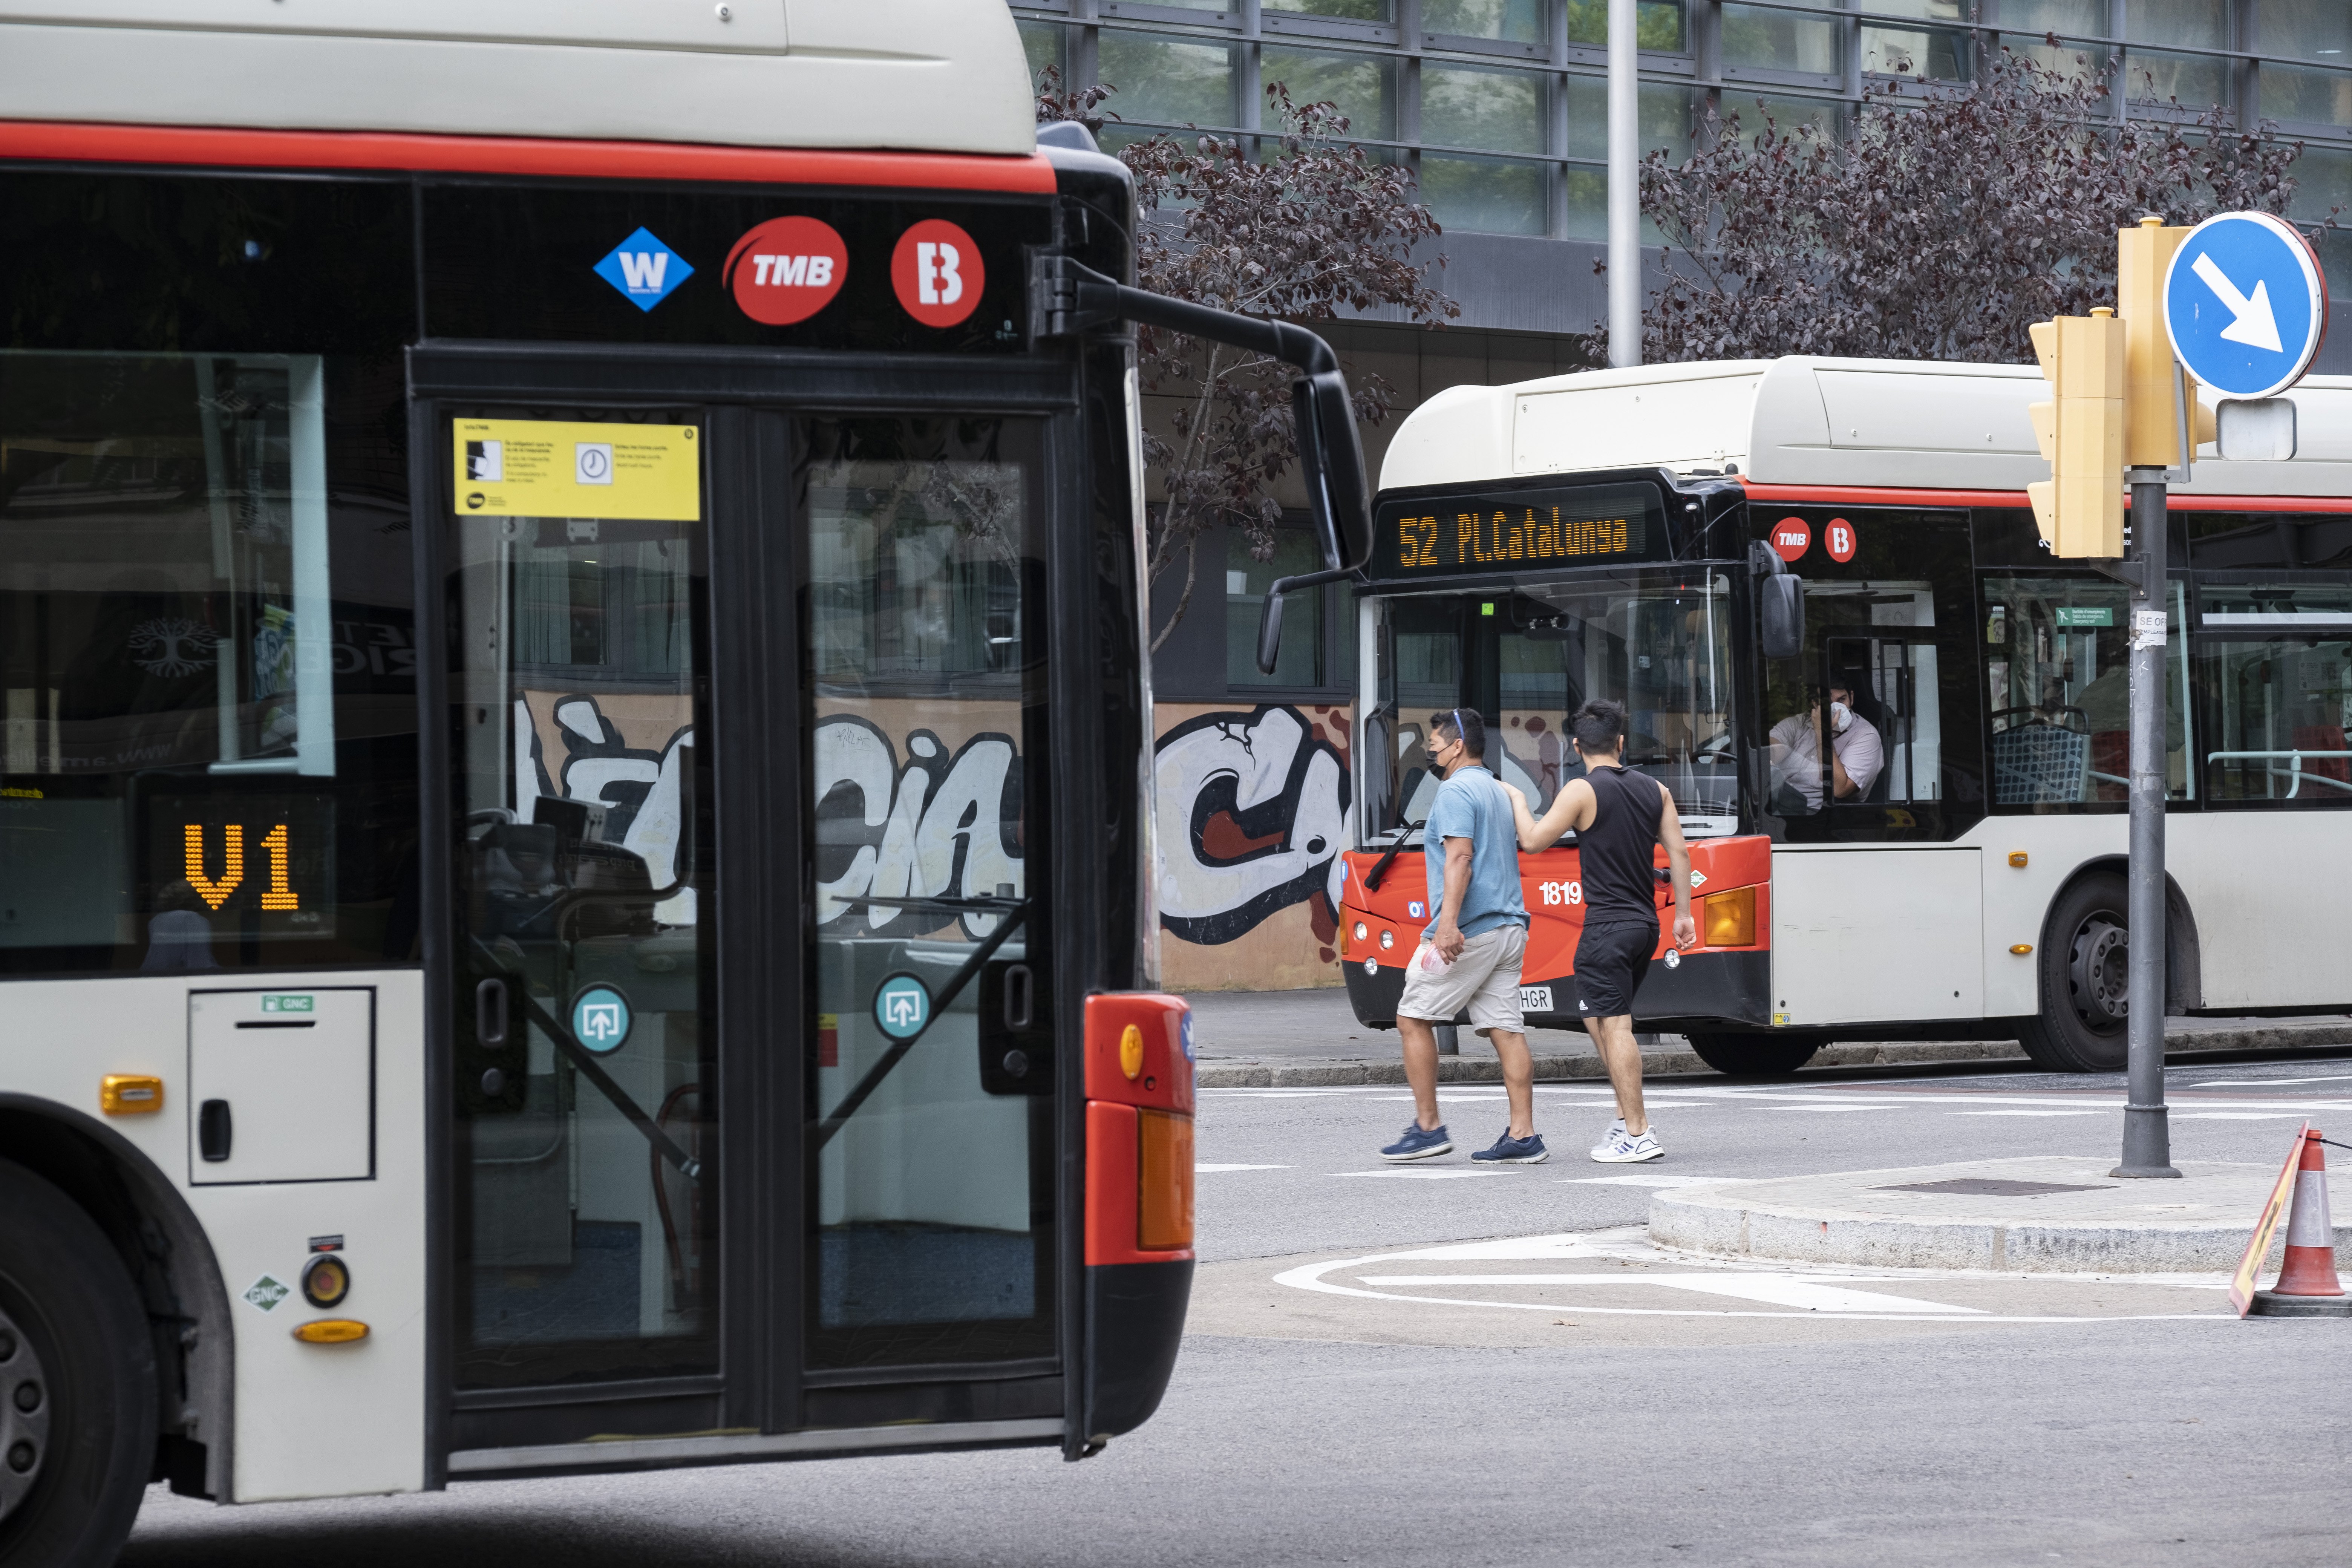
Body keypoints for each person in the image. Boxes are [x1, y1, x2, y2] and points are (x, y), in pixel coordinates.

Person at [1502, 698, 1694, 1163]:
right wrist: (1684, 915)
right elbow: (1680, 854)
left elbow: (1532, 840)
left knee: (1615, 1022)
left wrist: (1519, 799)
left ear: (1575, 745)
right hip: (1645, 924)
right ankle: (1622, 1116)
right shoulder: (1656, 790)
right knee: (1597, 1014)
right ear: (1621, 742)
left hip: (1606, 924)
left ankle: (1638, 1130)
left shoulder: (1581, 790)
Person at [1378, 708, 1545, 1165]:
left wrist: (1447, 925)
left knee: (1413, 1017)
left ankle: (1428, 1127)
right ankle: (1524, 1134)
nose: (1429, 748)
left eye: (1435, 741)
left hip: (1472, 930)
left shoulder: (1454, 791)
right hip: (1511, 928)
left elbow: (1460, 859)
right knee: (1507, 1030)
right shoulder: (1497, 789)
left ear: (1457, 746)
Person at [1768, 677, 1882, 812]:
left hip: (1822, 813)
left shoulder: (1867, 736)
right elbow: (1772, 750)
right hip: (1779, 803)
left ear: (1851, 697)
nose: (1837, 710)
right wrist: (1775, 754)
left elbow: (1839, 789)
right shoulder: (1799, 723)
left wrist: (1823, 733)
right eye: (1828, 702)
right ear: (1815, 703)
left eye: (1842, 700)